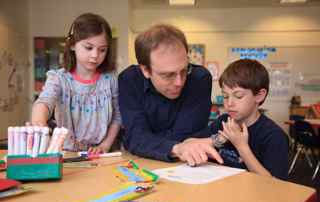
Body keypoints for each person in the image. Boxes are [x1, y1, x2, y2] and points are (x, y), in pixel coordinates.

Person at [118, 24, 223, 164]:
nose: (179, 82)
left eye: (185, 70)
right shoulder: (129, 80)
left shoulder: (200, 79)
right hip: (140, 163)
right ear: (145, 70)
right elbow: (135, 137)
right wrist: (176, 147)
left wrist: (150, 140)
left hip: (187, 165)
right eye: (168, 75)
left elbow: (188, 136)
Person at [31, 13, 121, 154]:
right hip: (68, 153)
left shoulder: (110, 80)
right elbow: (45, 101)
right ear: (72, 44)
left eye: (102, 50)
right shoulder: (59, 79)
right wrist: (38, 121)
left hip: (102, 153)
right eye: (88, 47)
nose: (95, 55)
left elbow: (117, 116)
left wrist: (105, 145)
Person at [184, 59, 289, 180]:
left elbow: (275, 185)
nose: (229, 103)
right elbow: (187, 144)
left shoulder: (274, 136)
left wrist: (241, 146)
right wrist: (218, 140)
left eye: (238, 96)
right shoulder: (224, 121)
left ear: (259, 95)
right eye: (225, 96)